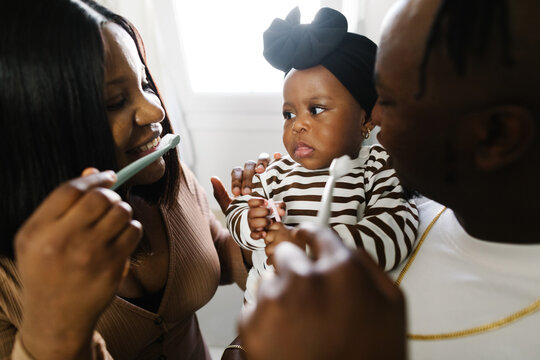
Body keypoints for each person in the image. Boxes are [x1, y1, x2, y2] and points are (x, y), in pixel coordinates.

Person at [232, 0, 540, 359]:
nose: (373, 117)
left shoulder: (387, 191)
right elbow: (260, 266)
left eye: (390, 100)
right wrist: (251, 220)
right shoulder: (427, 190)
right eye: (289, 113)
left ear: (494, 134)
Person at [0, 0, 247, 359]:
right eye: (115, 101)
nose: (155, 110)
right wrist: (53, 332)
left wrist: (252, 242)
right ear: (43, 127)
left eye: (145, 83)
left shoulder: (164, 176)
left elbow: (214, 255)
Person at [225, 7, 418, 307]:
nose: (297, 124)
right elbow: (237, 210)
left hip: (336, 314)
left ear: (365, 119)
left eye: (316, 110)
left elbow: (394, 229)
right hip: (269, 309)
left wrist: (309, 244)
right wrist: (250, 222)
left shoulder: (374, 166)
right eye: (288, 114)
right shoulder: (277, 171)